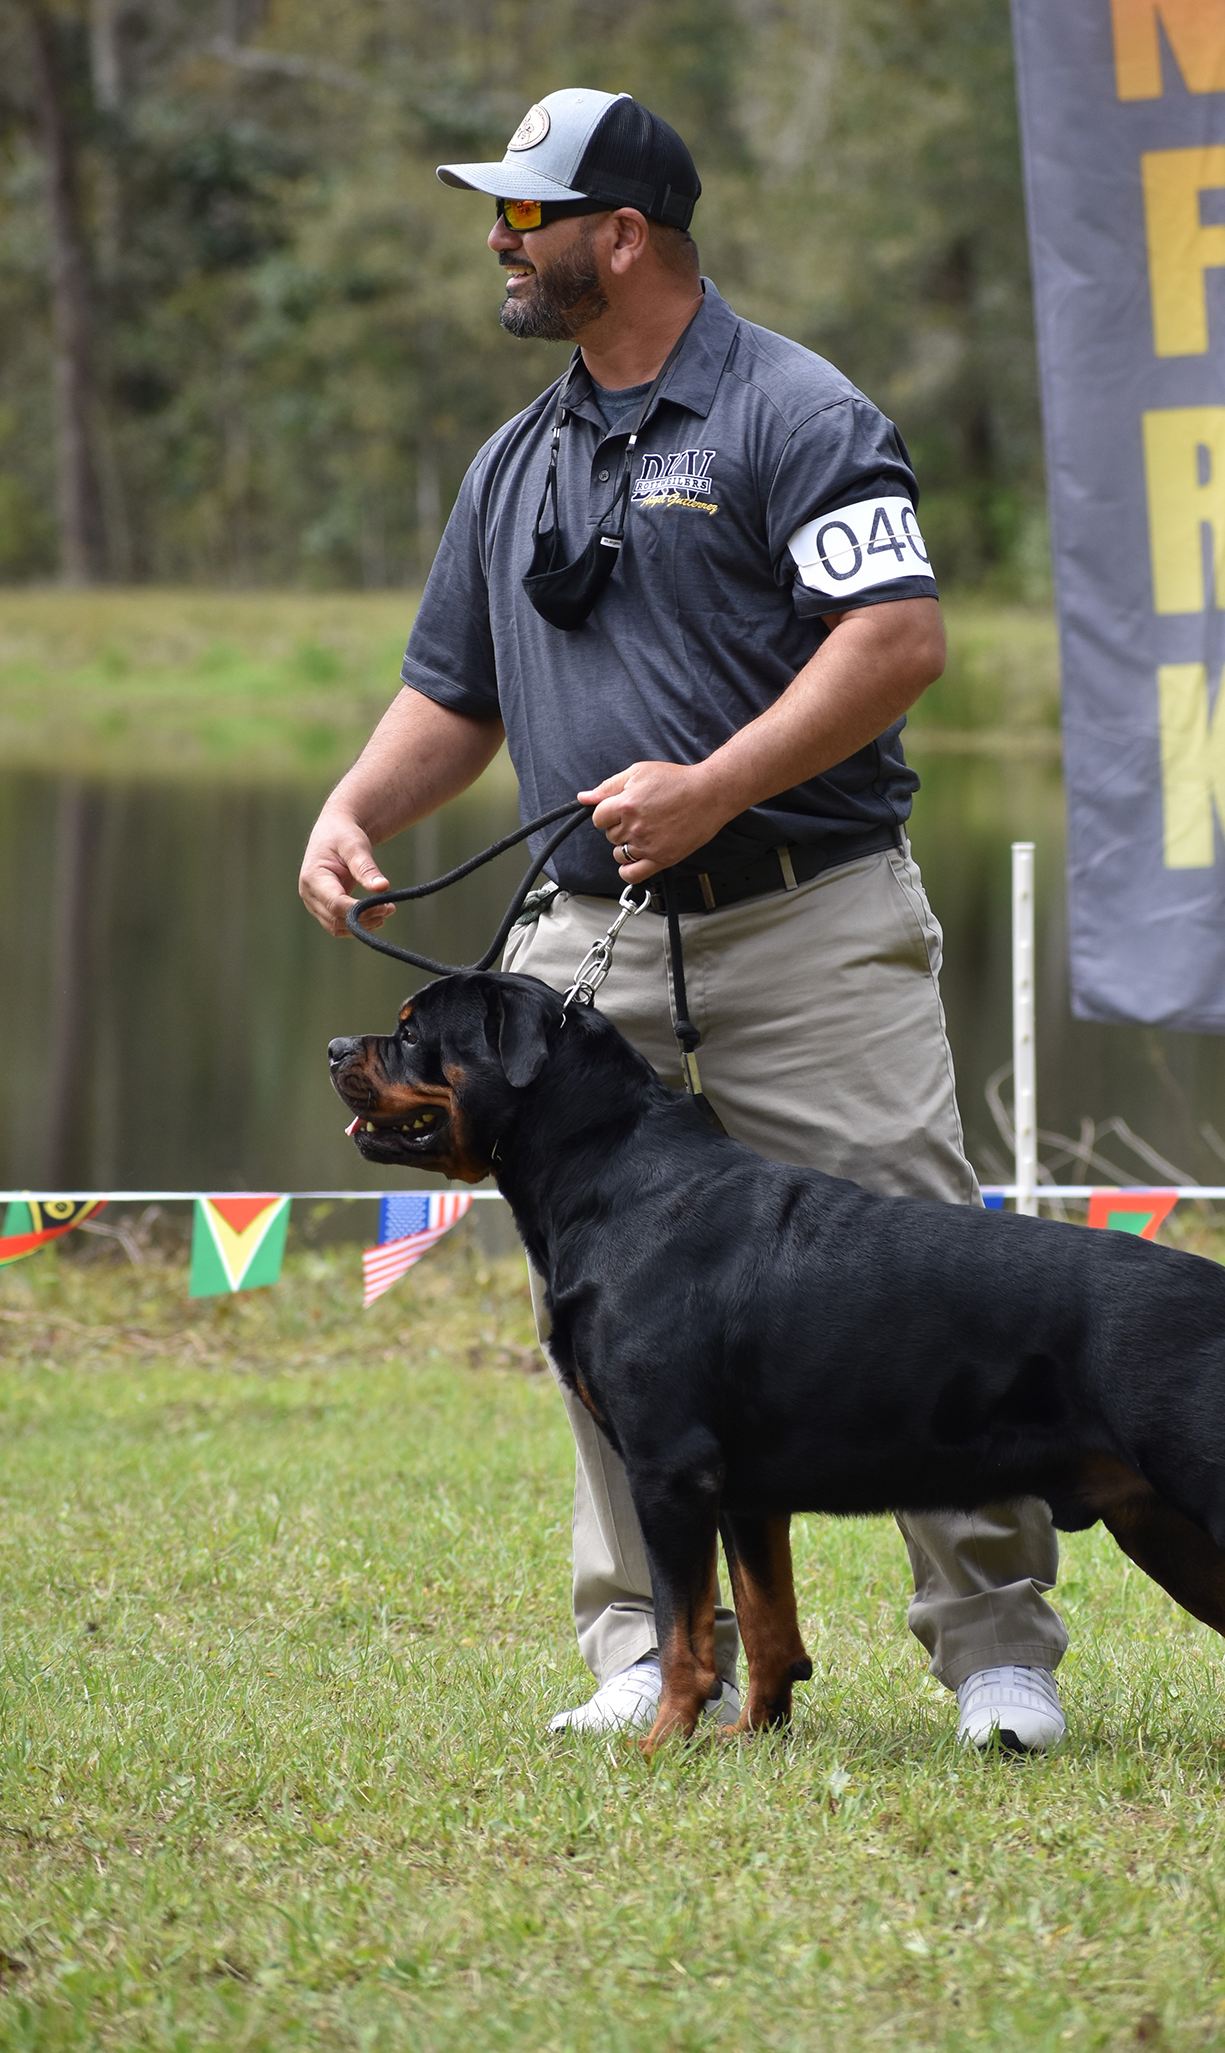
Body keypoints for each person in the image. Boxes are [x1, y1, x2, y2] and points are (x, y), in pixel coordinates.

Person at [299, 87, 1069, 1750]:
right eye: (496, 215)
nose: (498, 242)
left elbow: (899, 641)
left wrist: (717, 783)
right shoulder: (512, 461)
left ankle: (996, 1648)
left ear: (622, 235)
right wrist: (358, 807)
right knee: (603, 1298)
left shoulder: (800, 410)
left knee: (927, 1261)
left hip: (805, 920)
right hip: (576, 956)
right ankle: (649, 1648)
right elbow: (456, 691)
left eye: (524, 215)